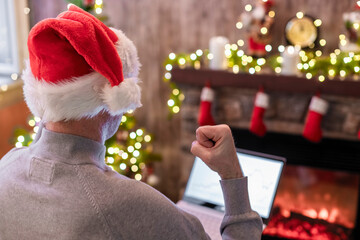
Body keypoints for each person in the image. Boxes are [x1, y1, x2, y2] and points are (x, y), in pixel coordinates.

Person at [0, 5, 262, 240]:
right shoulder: (127, 203)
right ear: (113, 96)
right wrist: (231, 174)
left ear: (41, 96)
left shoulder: (7, 168)